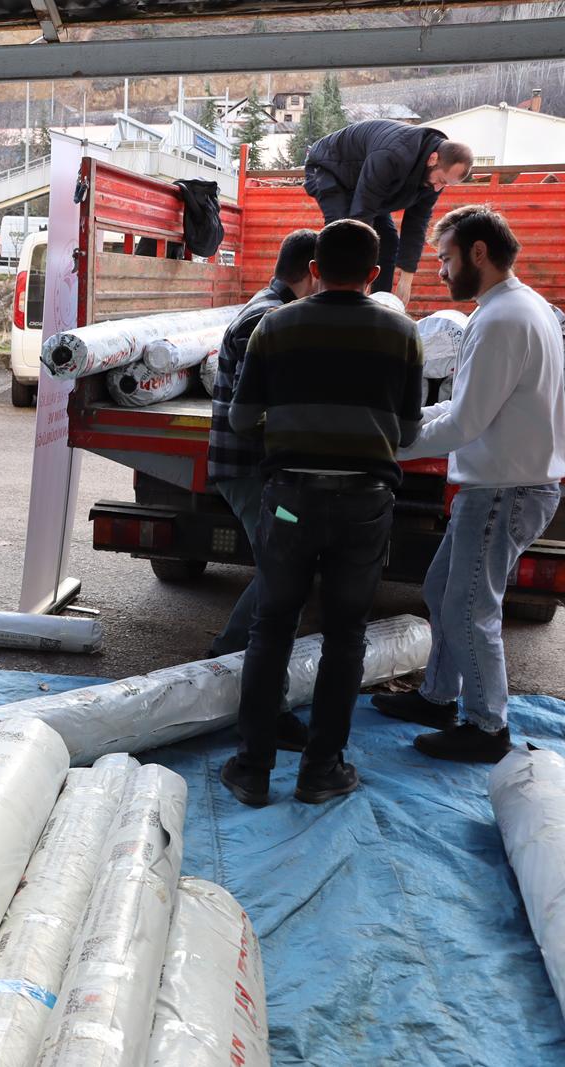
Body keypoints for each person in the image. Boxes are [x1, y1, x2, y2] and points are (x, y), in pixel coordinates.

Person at [218, 219, 425, 807]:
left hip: (289, 504)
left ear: (314, 269)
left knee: (272, 627)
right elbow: (409, 431)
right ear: (374, 274)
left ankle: (252, 769)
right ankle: (321, 771)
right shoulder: (403, 333)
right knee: (345, 635)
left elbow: (240, 419)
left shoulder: (275, 326)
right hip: (365, 504)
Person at [375, 206, 565, 762]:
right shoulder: (522, 307)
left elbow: (465, 424)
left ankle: (486, 728)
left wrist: (386, 446)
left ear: (478, 253)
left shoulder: (502, 319)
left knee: (469, 607)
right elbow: (465, 407)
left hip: (505, 488)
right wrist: (405, 425)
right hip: (504, 484)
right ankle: (438, 697)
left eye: (445, 258)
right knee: (442, 591)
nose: (440, 270)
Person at [205, 228, 318, 752]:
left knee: (284, 570)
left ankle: (229, 661)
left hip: (257, 470)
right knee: (285, 573)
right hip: (252, 472)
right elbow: (260, 410)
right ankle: (258, 699)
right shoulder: (267, 321)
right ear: (313, 272)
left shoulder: (270, 310)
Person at [303, 119, 473, 303]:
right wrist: (360, 281)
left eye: (445, 184)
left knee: (388, 241)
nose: (438, 188)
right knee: (342, 236)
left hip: (365, 182)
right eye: (441, 180)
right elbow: (362, 214)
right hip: (330, 168)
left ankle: (378, 306)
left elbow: (416, 224)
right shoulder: (392, 154)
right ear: (433, 159)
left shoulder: (433, 177)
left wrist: (406, 280)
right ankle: (326, 301)